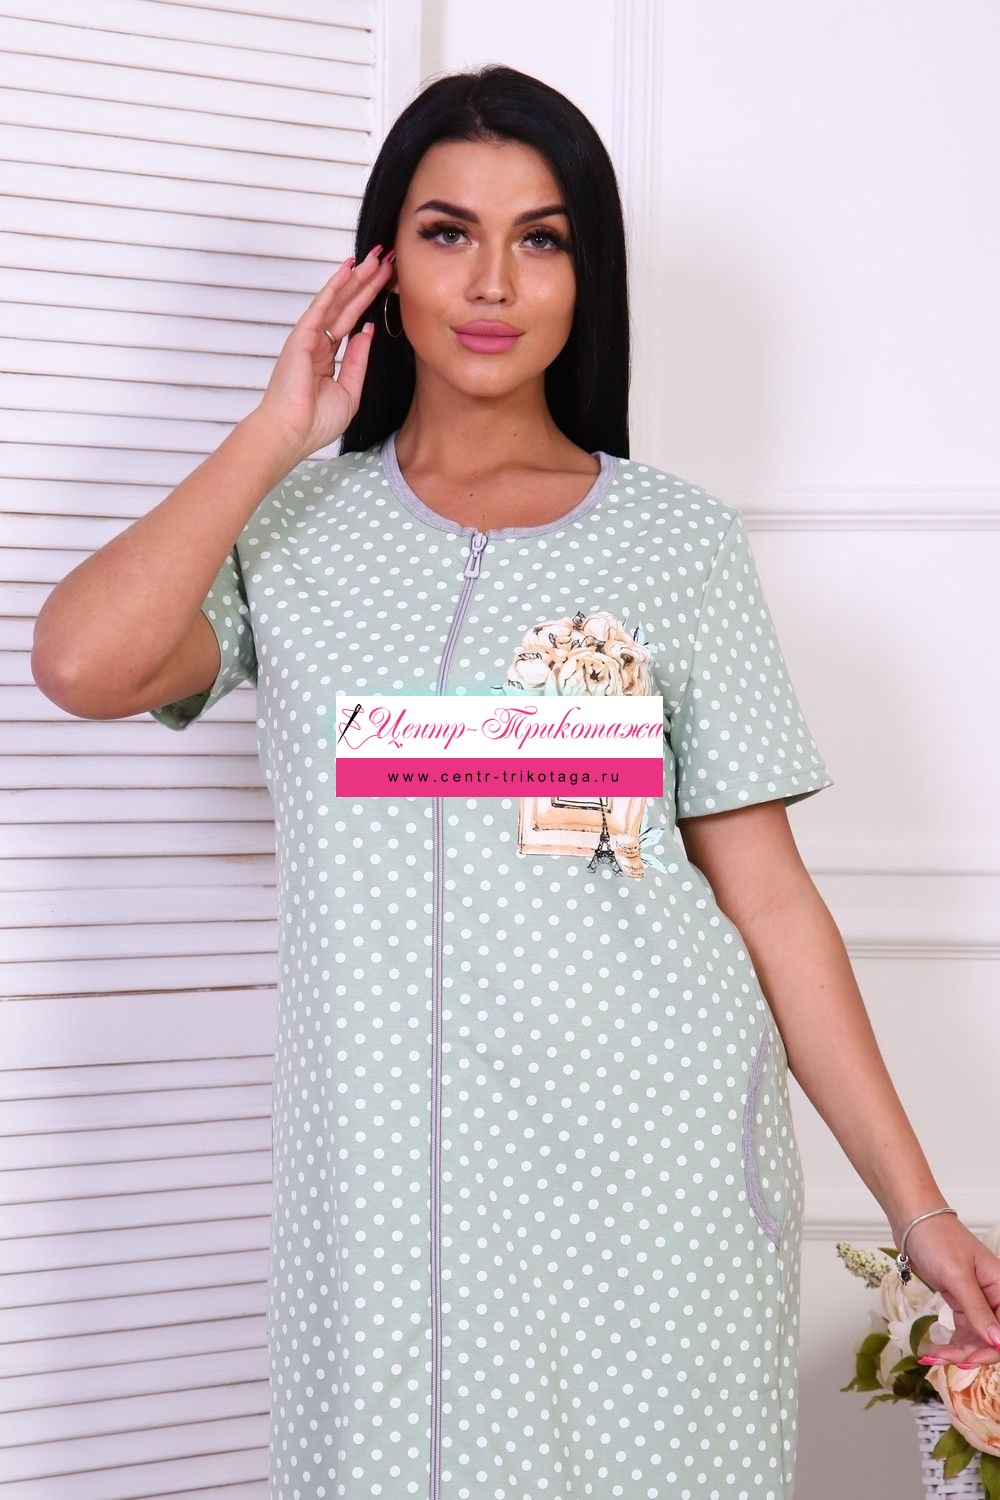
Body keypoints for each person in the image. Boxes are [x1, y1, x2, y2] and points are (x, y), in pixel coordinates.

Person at [32, 62, 1000, 1500]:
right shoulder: (292, 530)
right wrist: (275, 432)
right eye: (448, 233)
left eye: (540, 238)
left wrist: (917, 1209)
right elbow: (80, 661)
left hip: (652, 1173)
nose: (493, 282)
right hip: (386, 1194)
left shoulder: (677, 542)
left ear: (585, 273)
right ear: (381, 266)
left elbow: (772, 903)